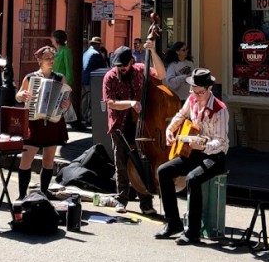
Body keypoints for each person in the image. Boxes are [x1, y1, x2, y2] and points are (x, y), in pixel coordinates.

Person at [155, 68, 229, 245]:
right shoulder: (192, 98)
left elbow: (221, 141)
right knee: (163, 171)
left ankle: (193, 232)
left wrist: (203, 146)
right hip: (194, 151)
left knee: (192, 179)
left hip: (215, 156)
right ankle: (173, 223)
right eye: (193, 91)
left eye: (200, 92)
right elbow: (181, 115)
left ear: (209, 88)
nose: (196, 96)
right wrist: (170, 129)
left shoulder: (220, 109)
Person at [102, 41, 166, 215]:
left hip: (141, 124)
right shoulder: (110, 76)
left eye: (124, 65)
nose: (121, 69)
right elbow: (111, 103)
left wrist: (152, 51)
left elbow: (161, 74)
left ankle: (146, 203)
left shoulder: (139, 69)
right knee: (121, 164)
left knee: (142, 164)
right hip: (120, 125)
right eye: (118, 66)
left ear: (131, 61)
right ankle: (121, 199)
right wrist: (130, 103)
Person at [15, 45, 71, 199]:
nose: (51, 61)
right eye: (47, 58)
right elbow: (18, 95)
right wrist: (21, 96)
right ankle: (21, 196)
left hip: (52, 122)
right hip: (34, 122)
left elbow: (66, 100)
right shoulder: (30, 77)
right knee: (26, 160)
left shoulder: (59, 78)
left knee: (48, 161)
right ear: (39, 60)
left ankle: (44, 194)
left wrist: (66, 105)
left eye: (52, 58)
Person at [81, 35, 107, 129]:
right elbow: (104, 67)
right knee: (92, 100)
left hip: (84, 79)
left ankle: (83, 117)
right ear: (98, 45)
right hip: (92, 80)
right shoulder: (96, 54)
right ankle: (90, 119)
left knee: (85, 100)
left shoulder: (86, 52)